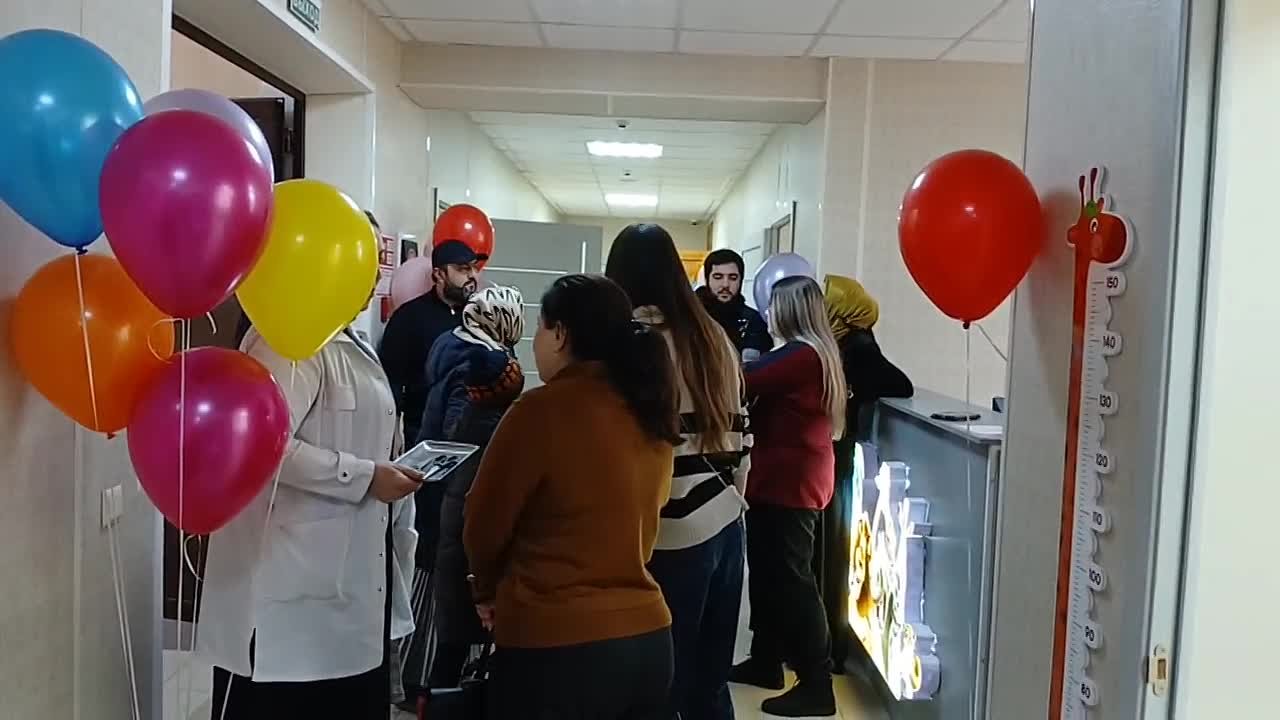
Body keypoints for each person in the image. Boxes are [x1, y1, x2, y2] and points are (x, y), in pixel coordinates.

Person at [463, 274, 680, 719]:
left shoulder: (539, 410)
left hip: (557, 645)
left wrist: (485, 590)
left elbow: (483, 522)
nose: (535, 343)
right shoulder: (648, 406)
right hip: (648, 638)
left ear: (560, 333)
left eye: (539, 328)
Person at [199, 324, 422, 719]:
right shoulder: (284, 341)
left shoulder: (352, 342)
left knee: (346, 690)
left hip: (351, 588)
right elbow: (262, 444)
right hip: (284, 600)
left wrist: (387, 473)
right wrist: (363, 476)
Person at [606, 224, 751, 720]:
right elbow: (744, 436)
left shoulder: (634, 344)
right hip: (727, 521)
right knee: (709, 685)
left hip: (667, 532)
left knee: (659, 687)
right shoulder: (715, 337)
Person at [399, 285, 526, 706]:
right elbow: (458, 432)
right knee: (449, 607)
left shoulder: (451, 348)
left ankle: (419, 681)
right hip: (457, 492)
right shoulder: (481, 365)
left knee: (432, 596)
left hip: (437, 489)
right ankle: (431, 691)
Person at [731, 275, 847, 718]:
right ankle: (766, 660)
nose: (767, 312)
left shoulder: (802, 356)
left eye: (773, 306)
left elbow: (742, 379)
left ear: (789, 311)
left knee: (793, 582)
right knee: (768, 574)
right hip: (784, 478)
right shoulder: (812, 354)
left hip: (790, 482)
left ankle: (816, 683)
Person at [818, 274, 914, 669]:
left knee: (833, 558)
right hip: (835, 462)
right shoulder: (845, 344)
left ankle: (831, 648)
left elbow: (899, 384)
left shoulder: (857, 347)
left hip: (839, 465)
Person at [378, 239, 486, 444]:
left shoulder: (481, 315)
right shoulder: (409, 317)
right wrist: (392, 433)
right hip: (423, 432)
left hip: (474, 430)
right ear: (439, 274)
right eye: (463, 269)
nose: (472, 275)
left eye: (474, 268)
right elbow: (391, 380)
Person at [695, 248, 772, 360]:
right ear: (707, 279)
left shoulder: (755, 321)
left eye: (733, 278)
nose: (725, 284)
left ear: (740, 280)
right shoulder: (692, 316)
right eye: (718, 277)